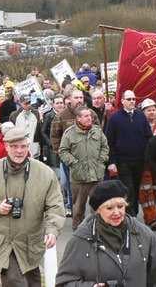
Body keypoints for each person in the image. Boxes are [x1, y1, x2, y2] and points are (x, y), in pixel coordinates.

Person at [0, 127, 65, 287]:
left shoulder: (45, 173)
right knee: (15, 282)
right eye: (14, 147)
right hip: (3, 243)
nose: (19, 151)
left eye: (23, 146)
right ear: (6, 147)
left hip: (30, 243)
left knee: (33, 283)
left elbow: (55, 206)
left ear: (29, 147)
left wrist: (52, 230)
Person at [56, 180, 156, 287]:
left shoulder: (144, 235)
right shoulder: (80, 239)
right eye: (109, 208)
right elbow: (64, 282)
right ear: (98, 210)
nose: (117, 212)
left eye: (120, 206)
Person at [59, 106, 110, 230]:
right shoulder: (69, 133)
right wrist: (74, 163)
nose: (90, 118)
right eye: (86, 116)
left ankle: (97, 229)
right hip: (79, 177)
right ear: (78, 118)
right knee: (78, 207)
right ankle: (78, 229)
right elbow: (63, 151)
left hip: (96, 175)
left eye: (90, 116)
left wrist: (101, 161)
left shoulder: (97, 131)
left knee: (97, 205)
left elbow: (105, 147)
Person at [105, 90, 153, 218]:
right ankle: (130, 217)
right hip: (123, 161)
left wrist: (148, 157)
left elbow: (148, 136)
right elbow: (109, 141)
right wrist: (112, 161)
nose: (132, 101)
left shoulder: (140, 116)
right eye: (129, 99)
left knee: (136, 188)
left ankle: (133, 214)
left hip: (139, 160)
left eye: (133, 99)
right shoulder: (115, 118)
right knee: (128, 189)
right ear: (122, 101)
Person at [51, 89, 98, 218]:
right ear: (69, 99)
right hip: (71, 160)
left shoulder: (92, 114)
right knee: (74, 189)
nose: (79, 100)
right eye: (76, 97)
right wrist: (61, 155)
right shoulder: (61, 116)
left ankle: (95, 218)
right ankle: (76, 216)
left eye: (81, 97)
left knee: (94, 188)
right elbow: (55, 137)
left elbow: (99, 133)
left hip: (91, 159)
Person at [139, 98, 156, 230]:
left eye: (153, 110)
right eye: (148, 110)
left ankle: (150, 215)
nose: (151, 112)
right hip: (144, 165)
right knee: (147, 193)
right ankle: (152, 219)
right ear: (143, 112)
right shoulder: (139, 125)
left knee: (155, 191)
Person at [41, 94, 66, 167]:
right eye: (57, 103)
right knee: (55, 167)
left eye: (61, 103)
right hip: (53, 148)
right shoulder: (48, 116)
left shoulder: (66, 114)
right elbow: (43, 131)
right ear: (53, 105)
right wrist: (50, 143)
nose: (59, 105)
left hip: (65, 146)